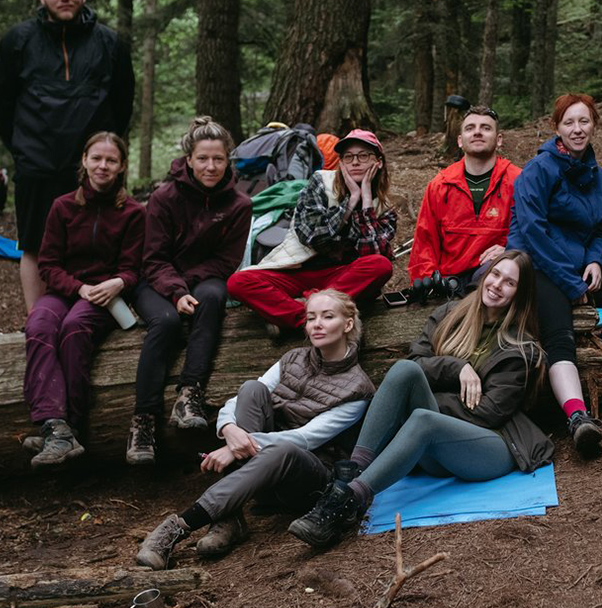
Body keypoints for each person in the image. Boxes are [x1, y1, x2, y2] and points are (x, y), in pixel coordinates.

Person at [288, 250, 553, 549]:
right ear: (485, 275)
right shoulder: (450, 313)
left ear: (520, 293)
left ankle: (349, 502)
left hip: (492, 445)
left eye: (509, 283)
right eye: (495, 274)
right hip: (438, 441)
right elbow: (416, 361)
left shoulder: (519, 348)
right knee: (404, 370)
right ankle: (352, 473)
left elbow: (490, 413)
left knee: (423, 419)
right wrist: (457, 368)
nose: (497, 285)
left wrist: (433, 401)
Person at [135, 290, 375, 569]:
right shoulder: (293, 358)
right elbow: (237, 402)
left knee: (284, 449)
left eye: (328, 317)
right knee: (252, 389)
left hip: (309, 480)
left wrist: (235, 447)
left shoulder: (358, 389)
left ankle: (179, 527)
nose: (317, 324)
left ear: (347, 324)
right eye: (311, 318)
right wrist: (228, 430)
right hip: (261, 470)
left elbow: (305, 438)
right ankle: (229, 518)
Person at [0, 0, 134, 312]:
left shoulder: (109, 42)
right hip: (37, 163)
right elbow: (2, 103)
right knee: (35, 244)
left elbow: (122, 103)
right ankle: (36, 320)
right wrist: (23, 150)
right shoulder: (18, 41)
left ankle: (91, 317)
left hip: (93, 167)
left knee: (98, 242)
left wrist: (103, 155)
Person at [127, 117, 252, 466]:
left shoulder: (239, 205)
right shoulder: (164, 197)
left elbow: (226, 262)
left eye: (218, 159)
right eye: (203, 159)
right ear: (189, 160)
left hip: (205, 278)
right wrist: (176, 291)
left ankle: (189, 394)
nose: (211, 166)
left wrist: (189, 287)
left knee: (212, 297)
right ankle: (143, 421)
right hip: (155, 279)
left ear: (228, 161)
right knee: (167, 321)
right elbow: (153, 258)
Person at [22, 132, 145, 468]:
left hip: (106, 297)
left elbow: (134, 268)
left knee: (75, 328)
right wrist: (77, 288)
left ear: (122, 166)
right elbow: (48, 264)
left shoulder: (133, 212)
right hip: (65, 291)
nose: (102, 166)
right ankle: (55, 427)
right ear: (84, 161)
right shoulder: (62, 206)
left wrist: (118, 283)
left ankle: (73, 425)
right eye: (96, 158)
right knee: (39, 323)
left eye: (111, 160)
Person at [506, 93, 602, 457]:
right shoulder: (539, 169)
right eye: (569, 123)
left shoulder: (597, 176)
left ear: (593, 125)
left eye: (584, 121)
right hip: (533, 263)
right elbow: (532, 232)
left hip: (572, 267)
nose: (577, 129)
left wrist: (595, 261)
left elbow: (598, 230)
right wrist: (571, 283)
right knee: (559, 331)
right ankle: (577, 416)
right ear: (557, 128)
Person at [227, 129, 396, 335]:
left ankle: (299, 311)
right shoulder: (320, 181)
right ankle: (309, 318)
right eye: (348, 157)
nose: (355, 162)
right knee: (238, 282)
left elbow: (374, 255)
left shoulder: (385, 208)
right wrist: (350, 203)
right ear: (341, 162)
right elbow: (312, 237)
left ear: (378, 162)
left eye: (363, 156)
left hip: (340, 278)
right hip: (298, 271)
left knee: (380, 266)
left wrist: (366, 205)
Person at [409, 105, 520, 290]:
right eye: (470, 128)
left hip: (495, 280)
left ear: (499, 140)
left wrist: (511, 248)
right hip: (449, 282)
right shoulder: (440, 185)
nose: (477, 132)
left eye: (486, 128)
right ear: (460, 141)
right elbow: (425, 241)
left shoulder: (518, 181)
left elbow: (530, 231)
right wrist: (427, 282)